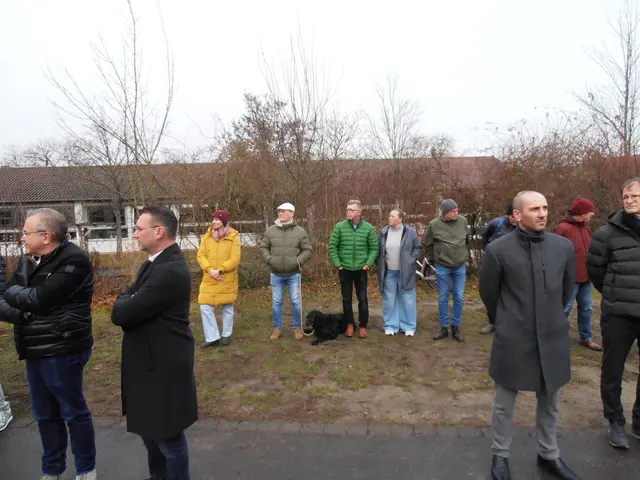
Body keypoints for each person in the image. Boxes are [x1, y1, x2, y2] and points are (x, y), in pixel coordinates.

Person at [480, 191, 581, 480]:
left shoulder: (563, 247)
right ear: (516, 215)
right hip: (513, 337)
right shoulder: (498, 250)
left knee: (550, 401)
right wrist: (505, 320)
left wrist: (551, 317)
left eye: (545, 207)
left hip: (552, 336)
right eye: (535, 208)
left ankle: (549, 454)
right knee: (504, 402)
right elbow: (489, 292)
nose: (542, 213)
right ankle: (500, 455)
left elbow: (567, 289)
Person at [0, 208, 97, 480]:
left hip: (62, 348)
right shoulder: (30, 259)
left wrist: (23, 298)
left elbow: (39, 298)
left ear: (45, 236)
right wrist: (25, 311)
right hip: (34, 349)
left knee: (73, 412)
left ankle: (86, 470)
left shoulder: (75, 261)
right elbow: (7, 296)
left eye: (26, 233)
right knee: (44, 415)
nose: (21, 238)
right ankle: (52, 470)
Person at [111, 205, 197, 480]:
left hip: (162, 364)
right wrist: (128, 300)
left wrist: (127, 302)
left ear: (159, 231)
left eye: (138, 228)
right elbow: (126, 300)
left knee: (167, 435)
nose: (134, 234)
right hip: (149, 361)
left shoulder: (169, 270)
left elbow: (121, 312)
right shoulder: (154, 263)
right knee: (150, 432)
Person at [588, 178, 640, 450]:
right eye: (626, 196)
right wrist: (615, 293)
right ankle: (615, 421)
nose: (629, 200)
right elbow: (596, 271)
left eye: (635, 196)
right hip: (619, 313)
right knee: (613, 369)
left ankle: (639, 421)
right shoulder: (606, 234)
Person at [259, 202, 313, 341]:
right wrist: (270, 260)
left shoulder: (300, 232)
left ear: (291, 213)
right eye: (279, 211)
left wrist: (297, 261)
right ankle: (277, 328)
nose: (280, 213)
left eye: (284, 211)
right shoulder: (270, 231)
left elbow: (307, 250)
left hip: (294, 274)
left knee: (296, 302)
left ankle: (297, 327)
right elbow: (263, 247)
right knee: (276, 302)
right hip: (276, 274)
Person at [554, 197, 601, 351]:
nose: (592, 214)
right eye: (590, 211)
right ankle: (555, 338)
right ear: (581, 213)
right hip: (569, 279)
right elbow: (555, 255)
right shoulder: (563, 229)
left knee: (586, 309)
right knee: (564, 309)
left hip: (586, 278)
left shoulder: (586, 228)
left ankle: (586, 338)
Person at [328, 200, 379, 338]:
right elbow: (332, 247)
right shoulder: (339, 227)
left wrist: (367, 264)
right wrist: (338, 264)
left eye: (351, 210)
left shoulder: (368, 228)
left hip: (361, 269)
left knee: (362, 298)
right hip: (344, 269)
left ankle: (363, 325)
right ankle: (350, 324)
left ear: (359, 212)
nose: (348, 212)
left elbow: (374, 248)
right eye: (347, 209)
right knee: (346, 298)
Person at [423, 198, 468, 342]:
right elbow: (428, 244)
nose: (456, 213)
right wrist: (434, 260)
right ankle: (443, 327)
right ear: (445, 212)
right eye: (453, 211)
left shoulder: (463, 221)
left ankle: (455, 327)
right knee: (443, 297)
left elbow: (466, 240)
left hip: (460, 265)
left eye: (457, 210)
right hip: (443, 266)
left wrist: (464, 255)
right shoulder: (434, 225)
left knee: (459, 296)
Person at [197, 210, 241, 348]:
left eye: (217, 219)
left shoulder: (233, 237)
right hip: (209, 277)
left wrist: (220, 270)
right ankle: (212, 337)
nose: (214, 222)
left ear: (223, 222)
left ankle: (226, 335)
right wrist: (211, 270)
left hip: (226, 277)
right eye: (213, 219)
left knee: (227, 306)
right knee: (205, 305)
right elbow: (201, 256)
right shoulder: (207, 237)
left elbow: (235, 258)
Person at [377, 209, 422, 336]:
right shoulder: (384, 232)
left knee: (407, 299)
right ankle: (391, 326)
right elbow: (379, 251)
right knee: (389, 300)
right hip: (389, 272)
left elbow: (418, 247)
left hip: (405, 272)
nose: (389, 218)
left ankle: (408, 326)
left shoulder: (410, 232)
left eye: (393, 216)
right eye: (389, 215)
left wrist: (412, 260)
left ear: (400, 219)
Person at [479, 201, 517, 334]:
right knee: (492, 294)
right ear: (508, 215)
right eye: (513, 217)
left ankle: (509, 322)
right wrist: (489, 253)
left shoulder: (522, 226)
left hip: (512, 265)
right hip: (496, 264)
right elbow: (485, 237)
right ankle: (493, 322)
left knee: (511, 294)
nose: (515, 220)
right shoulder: (496, 224)